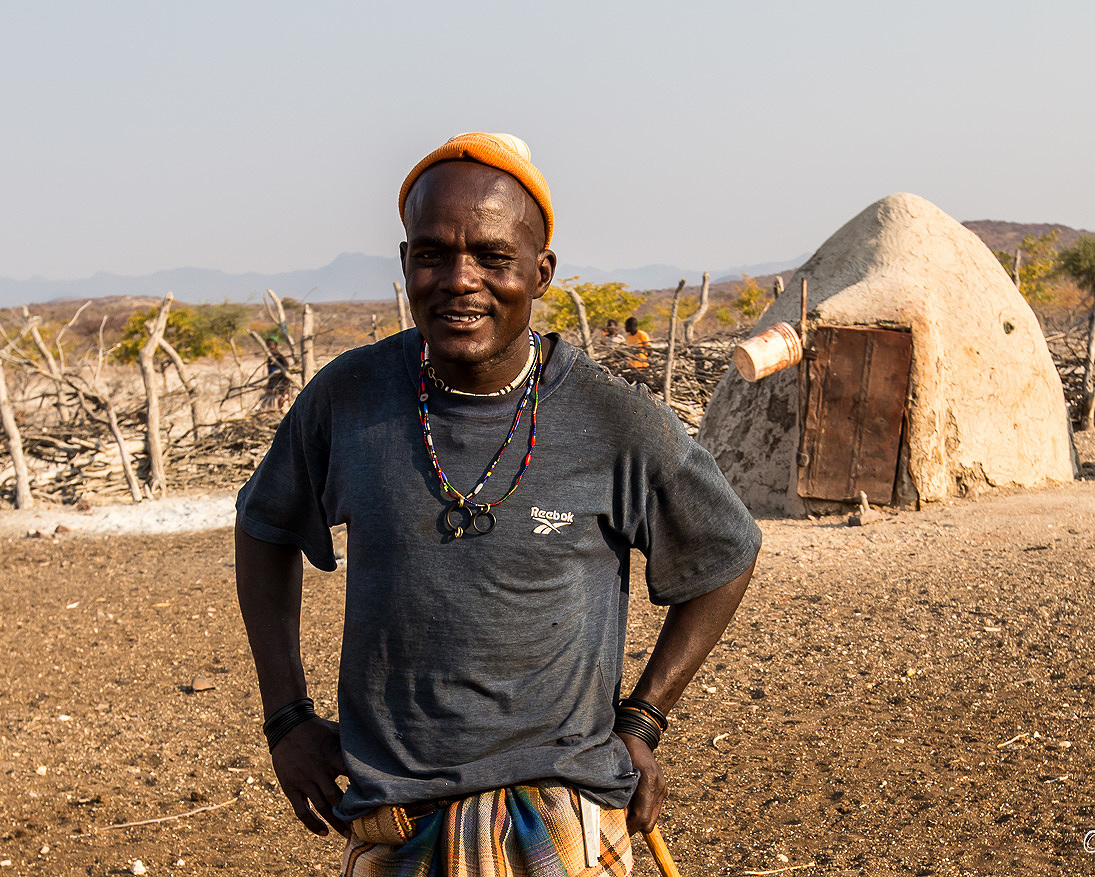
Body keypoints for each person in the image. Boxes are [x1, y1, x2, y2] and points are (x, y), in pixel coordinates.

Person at [235, 132, 760, 877]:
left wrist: (644, 716)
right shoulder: (348, 402)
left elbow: (727, 553)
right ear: (405, 262)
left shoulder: (615, 421)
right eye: (431, 254)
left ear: (541, 272)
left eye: (491, 256)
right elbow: (264, 526)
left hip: (563, 820)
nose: (459, 279)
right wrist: (285, 715)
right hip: (397, 824)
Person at [259, 337, 292, 410]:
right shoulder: (270, 359)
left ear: (276, 346)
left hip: (280, 388)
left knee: (280, 408)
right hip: (272, 387)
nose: (270, 347)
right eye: (268, 345)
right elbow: (271, 374)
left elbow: (287, 373)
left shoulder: (280, 358)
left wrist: (284, 388)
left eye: (271, 345)